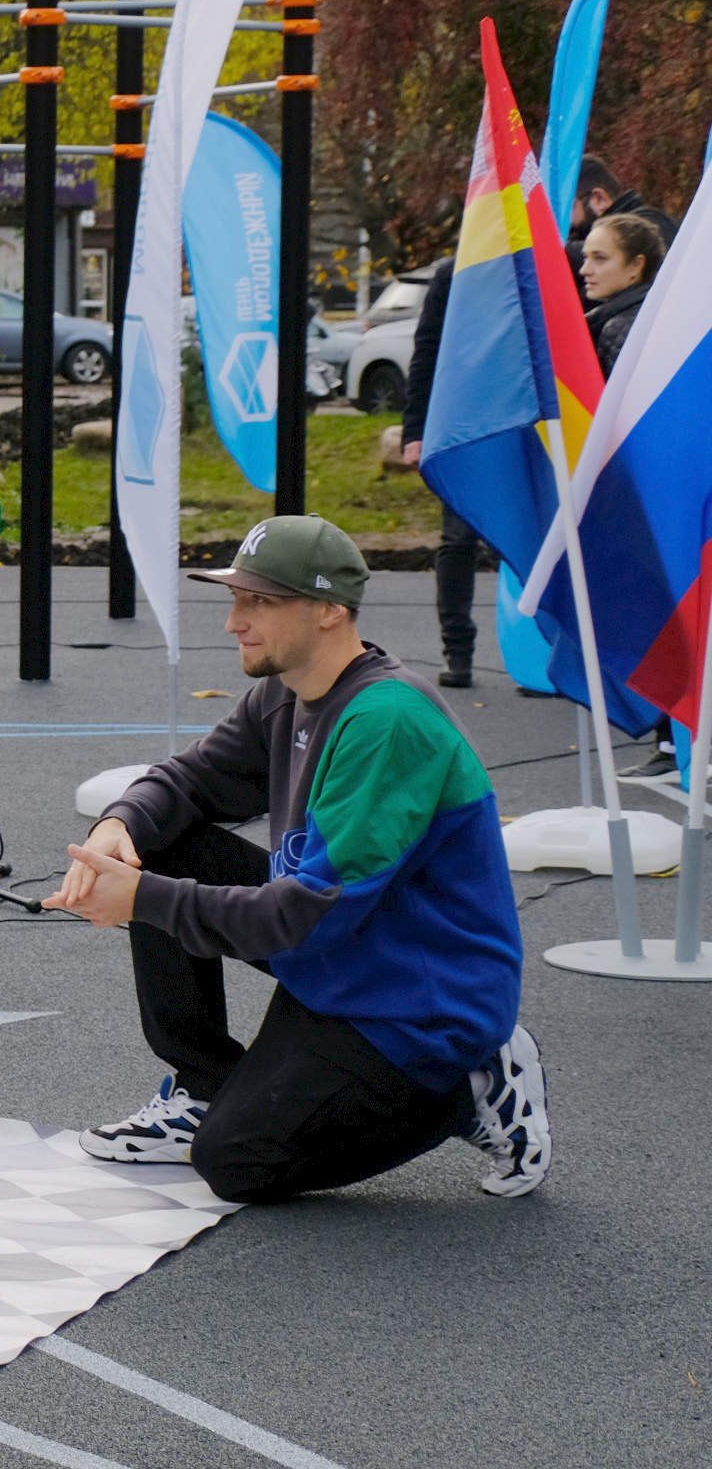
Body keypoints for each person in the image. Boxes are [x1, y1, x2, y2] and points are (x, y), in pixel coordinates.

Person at [45, 515, 551, 1204]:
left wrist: (139, 899)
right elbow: (189, 781)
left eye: (260, 601)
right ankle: (203, 1088)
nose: (234, 622)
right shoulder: (287, 691)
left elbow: (308, 919)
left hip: (420, 1000)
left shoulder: (386, 722)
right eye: (236, 599)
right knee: (158, 841)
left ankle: (472, 1085)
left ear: (329, 610)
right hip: (350, 959)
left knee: (235, 1163)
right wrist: (120, 823)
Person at [396, 255, 477, 689]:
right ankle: (458, 652)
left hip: (527, 428)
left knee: (531, 543)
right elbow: (426, 352)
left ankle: (542, 654)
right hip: (461, 429)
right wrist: (415, 432)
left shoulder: (545, 262)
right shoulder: (452, 273)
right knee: (458, 540)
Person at [580, 211, 663, 376]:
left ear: (636, 265)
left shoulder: (621, 327)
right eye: (586, 258)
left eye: (600, 258)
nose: (584, 270)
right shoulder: (652, 311)